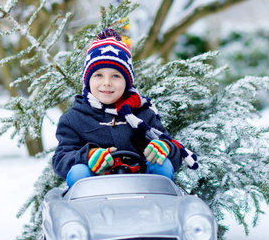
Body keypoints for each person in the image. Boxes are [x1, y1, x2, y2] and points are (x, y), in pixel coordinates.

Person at [52, 28, 198, 190]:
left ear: (127, 82)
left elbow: (173, 154)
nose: (107, 82)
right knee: (78, 171)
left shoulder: (143, 114)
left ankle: (160, 206)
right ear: (88, 80)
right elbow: (61, 159)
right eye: (98, 75)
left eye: (115, 76)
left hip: (141, 190)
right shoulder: (74, 119)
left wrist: (165, 148)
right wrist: (87, 156)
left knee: (162, 164)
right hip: (94, 195)